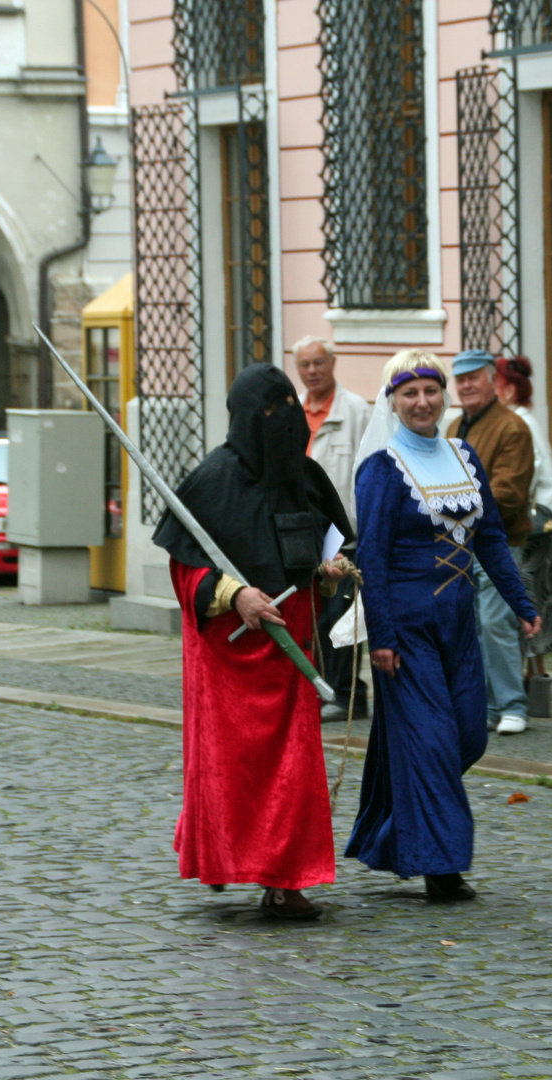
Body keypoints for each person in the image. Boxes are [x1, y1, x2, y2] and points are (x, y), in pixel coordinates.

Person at [153, 363, 354, 920]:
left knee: (295, 771)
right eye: (268, 413)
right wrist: (233, 595)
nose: (282, 421)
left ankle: (286, 880)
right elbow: (186, 569)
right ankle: (225, 857)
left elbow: (330, 545)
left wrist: (330, 569)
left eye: (288, 407)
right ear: (244, 419)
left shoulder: (308, 478)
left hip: (292, 649)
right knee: (230, 769)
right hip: (231, 657)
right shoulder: (213, 480)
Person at [346, 350, 540, 902]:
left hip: (459, 622)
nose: (422, 402)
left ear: (444, 395)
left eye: (431, 390)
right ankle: (442, 866)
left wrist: (521, 603)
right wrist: (380, 637)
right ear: (393, 401)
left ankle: (391, 834)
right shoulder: (382, 468)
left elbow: (492, 540)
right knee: (430, 743)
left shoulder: (465, 456)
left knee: (468, 735)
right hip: (406, 627)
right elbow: (374, 559)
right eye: (409, 394)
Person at [445, 349, 535, 735]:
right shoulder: (452, 427)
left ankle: (513, 704)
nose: (466, 386)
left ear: (491, 381)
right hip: (459, 543)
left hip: (499, 542)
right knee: (470, 625)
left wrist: (454, 508)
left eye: (473, 378)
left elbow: (509, 492)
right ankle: (487, 707)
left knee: (497, 623)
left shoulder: (511, 427)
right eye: (460, 380)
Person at [293, 335, 372, 720]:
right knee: (315, 614)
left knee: (341, 614)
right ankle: (325, 689)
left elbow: (370, 470)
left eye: (318, 363)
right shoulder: (294, 412)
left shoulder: (355, 410)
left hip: (345, 530)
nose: (312, 371)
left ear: (333, 363)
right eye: (304, 365)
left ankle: (345, 694)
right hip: (307, 531)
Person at [494, 357, 552, 660]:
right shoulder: (520, 419)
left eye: (494, 384)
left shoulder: (519, 421)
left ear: (509, 390)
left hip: (530, 527)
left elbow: (530, 470)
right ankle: (534, 672)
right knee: (533, 596)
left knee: (529, 598)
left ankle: (533, 674)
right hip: (534, 525)